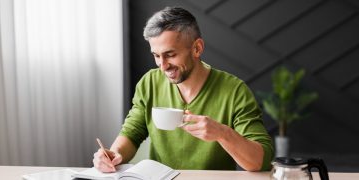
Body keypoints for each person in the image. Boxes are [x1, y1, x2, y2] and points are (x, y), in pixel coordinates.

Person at [93, 6, 274, 172]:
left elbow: (261, 160)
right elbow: (132, 132)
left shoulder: (235, 91)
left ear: (197, 48)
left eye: (170, 55)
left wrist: (222, 133)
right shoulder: (150, 82)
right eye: (156, 56)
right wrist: (115, 154)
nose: (162, 66)